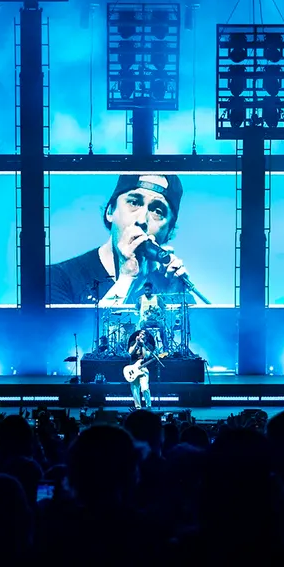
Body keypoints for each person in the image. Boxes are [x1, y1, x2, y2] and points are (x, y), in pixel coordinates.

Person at [47, 174, 192, 305]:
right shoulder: (57, 278)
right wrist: (127, 278)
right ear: (110, 211)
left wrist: (174, 300)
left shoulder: (172, 286)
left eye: (157, 211)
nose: (142, 220)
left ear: (169, 232)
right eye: (134, 203)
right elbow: (70, 334)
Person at [126, 328, 157, 410]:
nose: (140, 335)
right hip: (132, 368)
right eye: (140, 333)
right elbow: (130, 352)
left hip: (143, 369)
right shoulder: (133, 343)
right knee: (135, 389)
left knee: (145, 388)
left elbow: (145, 356)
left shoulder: (149, 346)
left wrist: (143, 345)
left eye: (143, 334)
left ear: (146, 337)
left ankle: (148, 407)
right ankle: (138, 407)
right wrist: (136, 343)